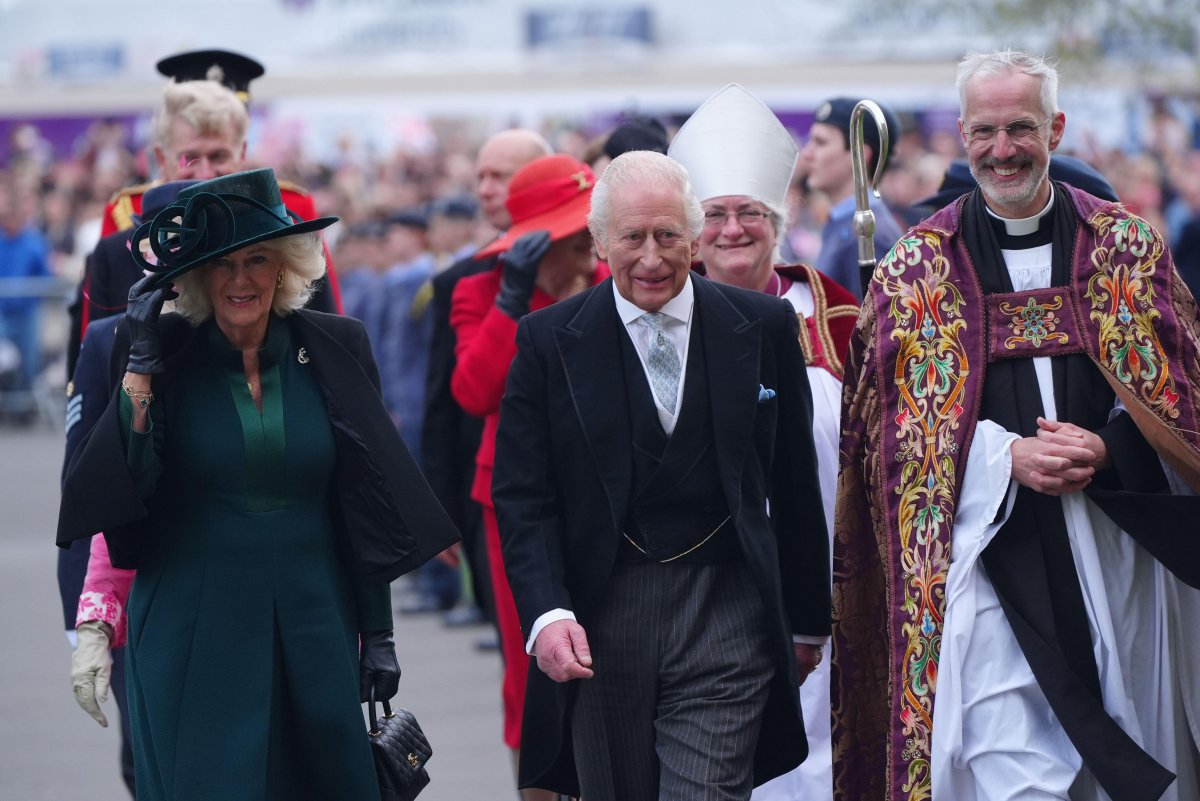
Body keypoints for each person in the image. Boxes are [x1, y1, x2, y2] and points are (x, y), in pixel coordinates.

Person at [833, 49, 1200, 801]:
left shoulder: (1123, 248)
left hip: (1116, 553)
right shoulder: (915, 271)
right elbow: (886, 444)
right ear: (961, 137)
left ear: (1056, 128)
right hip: (980, 563)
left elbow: (1185, 400)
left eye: (1021, 128)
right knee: (1010, 770)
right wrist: (1002, 459)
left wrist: (1111, 444)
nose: (1003, 150)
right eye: (985, 131)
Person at [57, 168, 459, 800]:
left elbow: (364, 500)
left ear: (286, 267)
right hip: (193, 628)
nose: (240, 279)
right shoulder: (154, 353)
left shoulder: (337, 345)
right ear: (193, 276)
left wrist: (377, 632)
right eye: (222, 264)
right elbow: (124, 493)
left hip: (315, 621)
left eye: (258, 259)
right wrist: (140, 367)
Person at [492, 150, 829, 800]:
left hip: (727, 612)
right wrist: (548, 613)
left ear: (695, 234)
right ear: (598, 240)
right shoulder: (546, 339)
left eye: (668, 235)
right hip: (601, 617)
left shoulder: (761, 326)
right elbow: (524, 497)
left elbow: (793, 481)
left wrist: (807, 620)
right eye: (633, 237)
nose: (652, 257)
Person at [669, 83, 858, 801]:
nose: (732, 228)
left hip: (833, 579)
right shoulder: (664, 318)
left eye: (750, 212)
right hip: (711, 579)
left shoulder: (837, 313)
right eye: (714, 214)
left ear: (776, 221)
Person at [450, 153, 607, 801]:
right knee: (532, 673)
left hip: (604, 494)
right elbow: (472, 391)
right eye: (571, 235)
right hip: (514, 502)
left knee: (613, 658)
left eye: (585, 232)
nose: (583, 247)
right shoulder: (481, 289)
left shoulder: (614, 278)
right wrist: (512, 301)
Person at [70, 51, 340, 377]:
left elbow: (326, 335)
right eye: (189, 158)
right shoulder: (117, 247)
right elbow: (93, 364)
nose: (206, 172)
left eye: (219, 155)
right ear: (162, 157)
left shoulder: (284, 220)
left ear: (241, 154)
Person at [420, 128, 552, 632]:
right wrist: (439, 507)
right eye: (480, 177)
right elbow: (446, 404)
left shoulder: (595, 268)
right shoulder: (462, 281)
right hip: (490, 488)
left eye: (501, 175)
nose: (486, 188)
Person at [799, 95, 904, 299]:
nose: (807, 154)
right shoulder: (846, 225)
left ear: (860, 155)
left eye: (820, 142)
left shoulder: (869, 234)